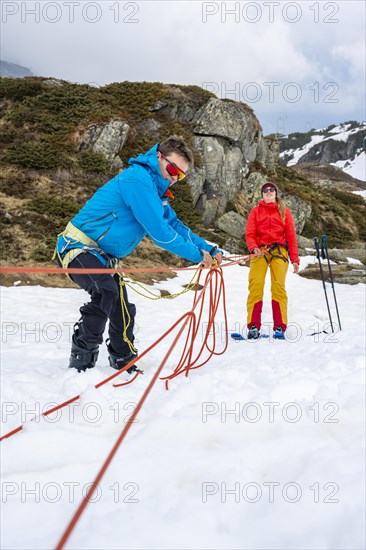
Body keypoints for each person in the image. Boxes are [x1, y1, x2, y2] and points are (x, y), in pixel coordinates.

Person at [55, 136, 223, 372]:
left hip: (104, 257)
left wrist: (208, 248)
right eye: (173, 169)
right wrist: (197, 256)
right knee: (106, 291)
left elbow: (175, 226)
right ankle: (83, 356)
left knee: (122, 307)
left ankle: (122, 357)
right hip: (77, 247)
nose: (175, 178)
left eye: (181, 175)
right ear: (158, 157)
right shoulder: (138, 180)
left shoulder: (156, 191)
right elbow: (161, 234)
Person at [245, 182, 299, 340]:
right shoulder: (255, 211)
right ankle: (253, 325)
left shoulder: (284, 212)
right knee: (255, 284)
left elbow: (291, 237)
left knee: (278, 287)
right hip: (259, 252)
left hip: (279, 252)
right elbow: (249, 234)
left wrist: (295, 259)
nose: (268, 192)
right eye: (265, 190)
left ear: (276, 193)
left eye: (271, 190)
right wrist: (254, 248)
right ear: (262, 195)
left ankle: (280, 327)